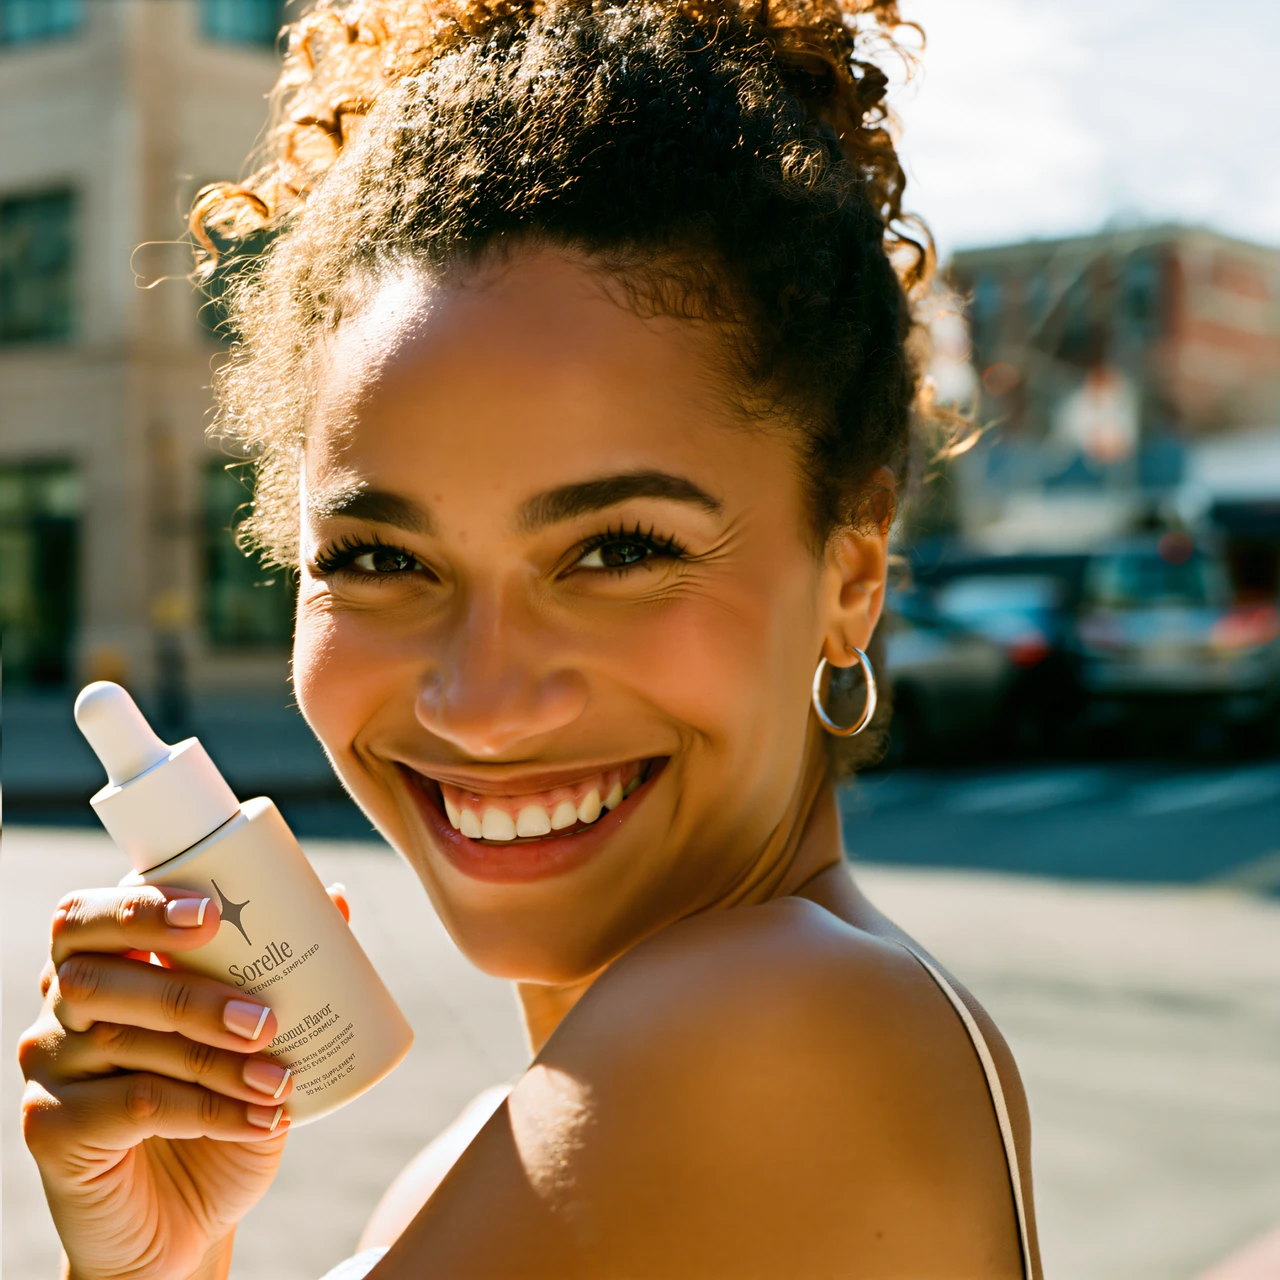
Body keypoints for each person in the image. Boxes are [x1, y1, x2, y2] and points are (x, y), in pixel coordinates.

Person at [18, 0, 1042, 1275]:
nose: (481, 700)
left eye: (619, 549)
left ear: (851, 570)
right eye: (381, 559)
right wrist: (156, 1258)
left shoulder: (773, 1027)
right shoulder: (523, 1132)